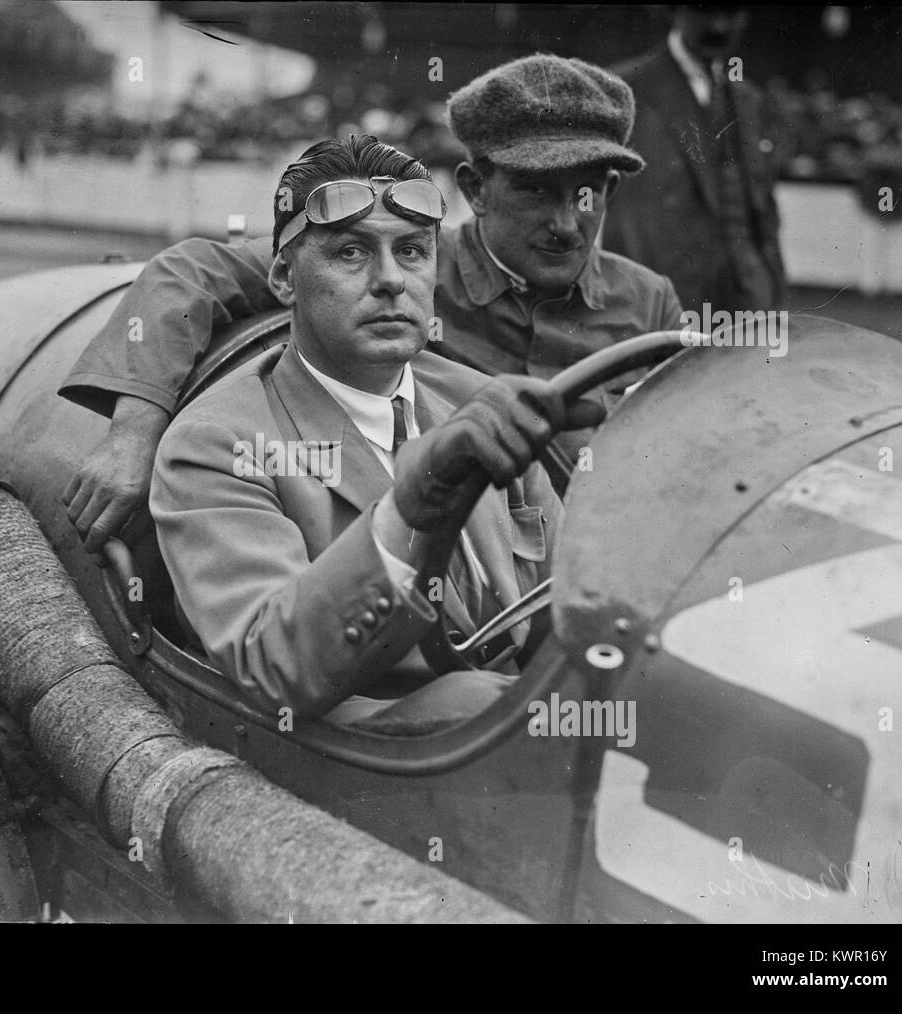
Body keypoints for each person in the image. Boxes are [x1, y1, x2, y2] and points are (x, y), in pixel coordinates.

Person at [61, 54, 681, 554]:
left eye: (588, 191)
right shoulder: (405, 260)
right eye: (536, 189)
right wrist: (134, 432)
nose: (567, 223)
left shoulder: (649, 304)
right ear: (474, 190)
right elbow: (188, 273)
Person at [147, 136, 604, 728]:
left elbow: (566, 606)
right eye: (352, 253)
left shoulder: (476, 399)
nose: (391, 280)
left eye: (412, 251)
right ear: (284, 277)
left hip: (523, 742)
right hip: (370, 773)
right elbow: (273, 666)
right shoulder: (216, 445)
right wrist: (410, 507)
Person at [602, 6, 787, 315]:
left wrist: (769, 282)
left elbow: (761, 209)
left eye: (731, 13)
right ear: (676, 10)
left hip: (743, 302)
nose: (718, 24)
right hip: (660, 304)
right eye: (704, 9)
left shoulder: (748, 100)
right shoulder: (625, 89)